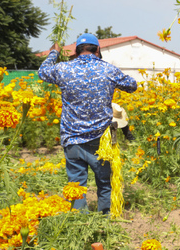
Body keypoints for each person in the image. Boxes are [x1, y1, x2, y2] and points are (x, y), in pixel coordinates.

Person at [38, 33, 137, 213]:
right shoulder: (108, 69)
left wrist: (54, 53)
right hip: (102, 140)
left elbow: (42, 72)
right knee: (105, 184)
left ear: (76, 52)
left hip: (72, 138)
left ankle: (79, 223)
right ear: (97, 49)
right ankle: (104, 221)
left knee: (76, 186)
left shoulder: (63, 69)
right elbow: (132, 85)